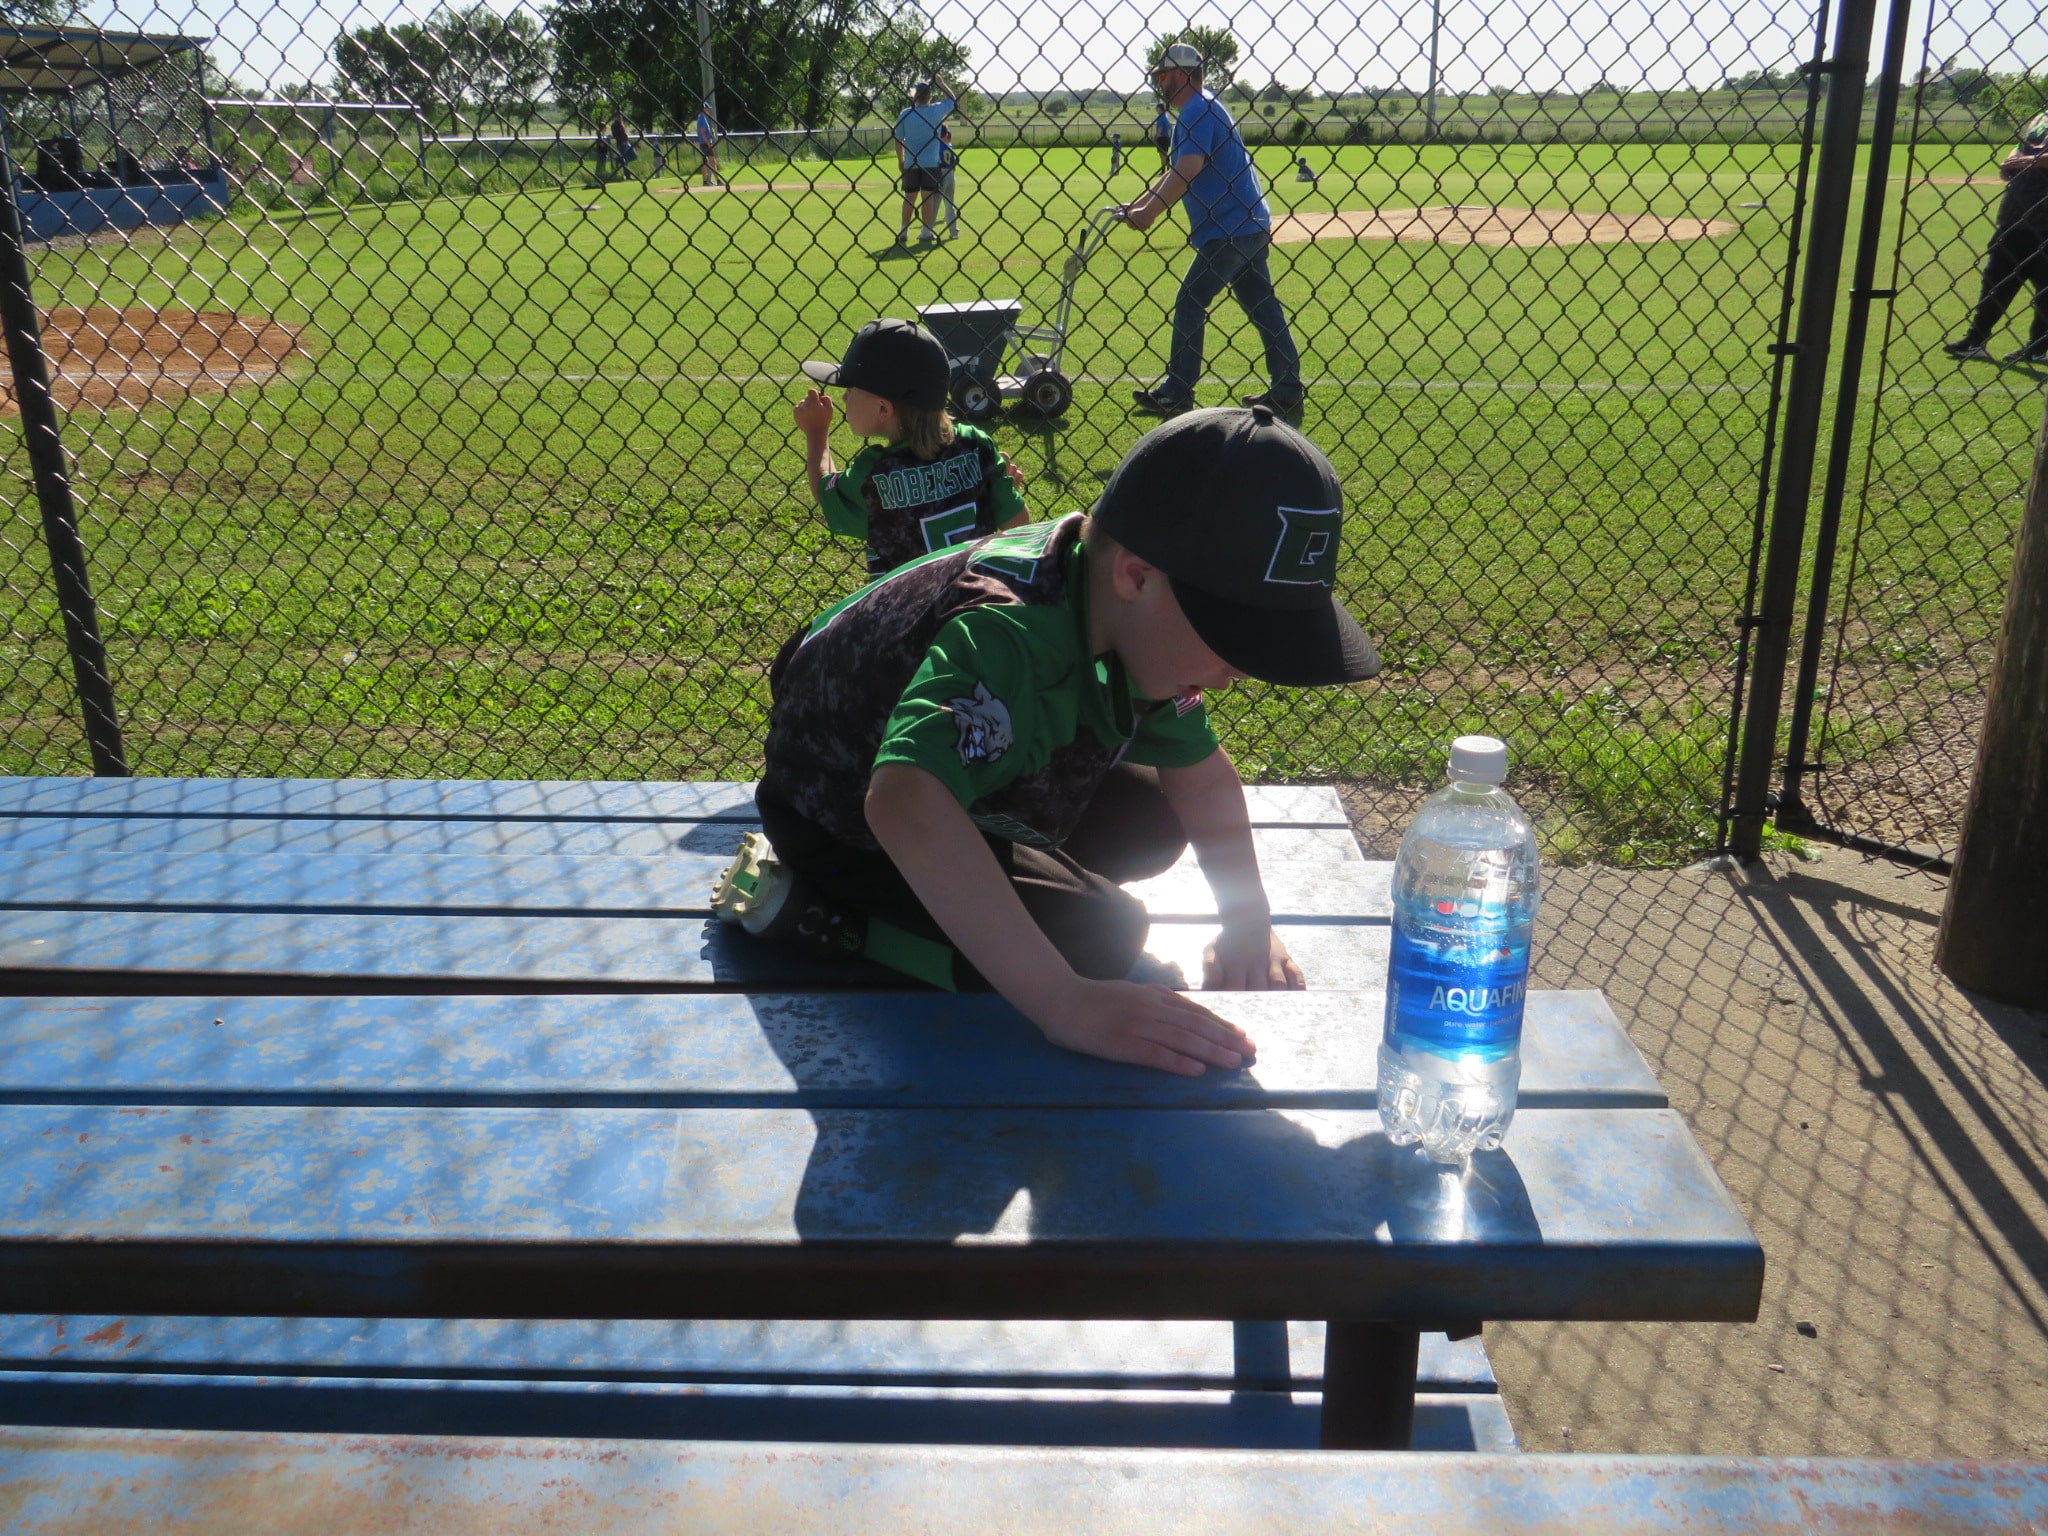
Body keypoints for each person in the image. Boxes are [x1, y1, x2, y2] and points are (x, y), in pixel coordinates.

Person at [712, 404, 1380, 1075]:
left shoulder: (1117, 605)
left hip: (954, 776)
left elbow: (1200, 777)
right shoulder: (1011, 633)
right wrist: (1065, 1002)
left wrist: (1247, 920)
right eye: (1233, 639)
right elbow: (903, 803)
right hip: (838, 811)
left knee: (1152, 823)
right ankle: (831, 920)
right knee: (1098, 938)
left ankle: (984, 881)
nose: (1239, 672)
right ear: (1138, 575)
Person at [1117, 41, 1304, 416]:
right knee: (1261, 305)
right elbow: (1175, 171)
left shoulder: (1195, 112)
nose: (1161, 82)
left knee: (1191, 299)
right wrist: (1139, 205)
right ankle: (1287, 388)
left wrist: (1149, 213)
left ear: (1184, 75)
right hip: (1247, 223)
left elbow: (1187, 170)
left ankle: (1178, 391)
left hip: (1229, 228)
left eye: (1165, 75)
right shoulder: (1205, 106)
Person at [795, 318, 1027, 577]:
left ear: (883, 408)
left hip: (903, 612)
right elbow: (1018, 524)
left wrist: (817, 433)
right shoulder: (976, 444)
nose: (844, 397)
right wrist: (1000, 492)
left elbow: (825, 494)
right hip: (972, 599)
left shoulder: (875, 473)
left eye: (850, 389)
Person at [1945, 109, 2048, 364]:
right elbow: (2020, 147)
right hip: (2016, 216)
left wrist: (2028, 162)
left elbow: (2033, 158)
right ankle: (1975, 340)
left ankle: (2037, 347)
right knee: (1996, 280)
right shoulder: (2040, 117)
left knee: (2046, 290)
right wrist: (2009, 162)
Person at [894, 77, 957, 244]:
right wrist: (942, 84)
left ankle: (903, 230)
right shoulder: (935, 111)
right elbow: (952, 100)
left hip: (911, 162)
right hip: (931, 162)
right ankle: (926, 231)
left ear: (915, 96)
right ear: (930, 96)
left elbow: (898, 139)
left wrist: (900, 160)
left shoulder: (906, 114)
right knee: (927, 197)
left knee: (909, 196)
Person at [937, 124, 961, 240]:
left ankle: (927, 231)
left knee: (934, 202)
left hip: (940, 173)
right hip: (951, 173)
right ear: (946, 134)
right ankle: (953, 231)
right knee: (949, 204)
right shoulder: (949, 146)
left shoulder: (936, 146)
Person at [695, 101, 723, 187]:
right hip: (705, 143)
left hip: (704, 143)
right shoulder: (702, 118)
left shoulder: (702, 118)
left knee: (706, 162)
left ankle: (706, 181)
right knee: (712, 161)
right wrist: (709, 143)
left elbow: (704, 132)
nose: (708, 110)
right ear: (703, 109)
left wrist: (710, 133)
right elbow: (702, 133)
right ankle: (718, 180)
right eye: (707, 108)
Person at [1152, 104, 1173, 169]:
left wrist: (1156, 138)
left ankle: (1164, 170)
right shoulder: (1165, 117)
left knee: (1162, 155)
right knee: (1165, 154)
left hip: (1162, 138)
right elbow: (1169, 128)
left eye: (1157, 108)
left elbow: (1159, 130)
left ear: (1160, 109)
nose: (1156, 110)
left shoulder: (1161, 118)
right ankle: (1166, 169)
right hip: (1166, 138)